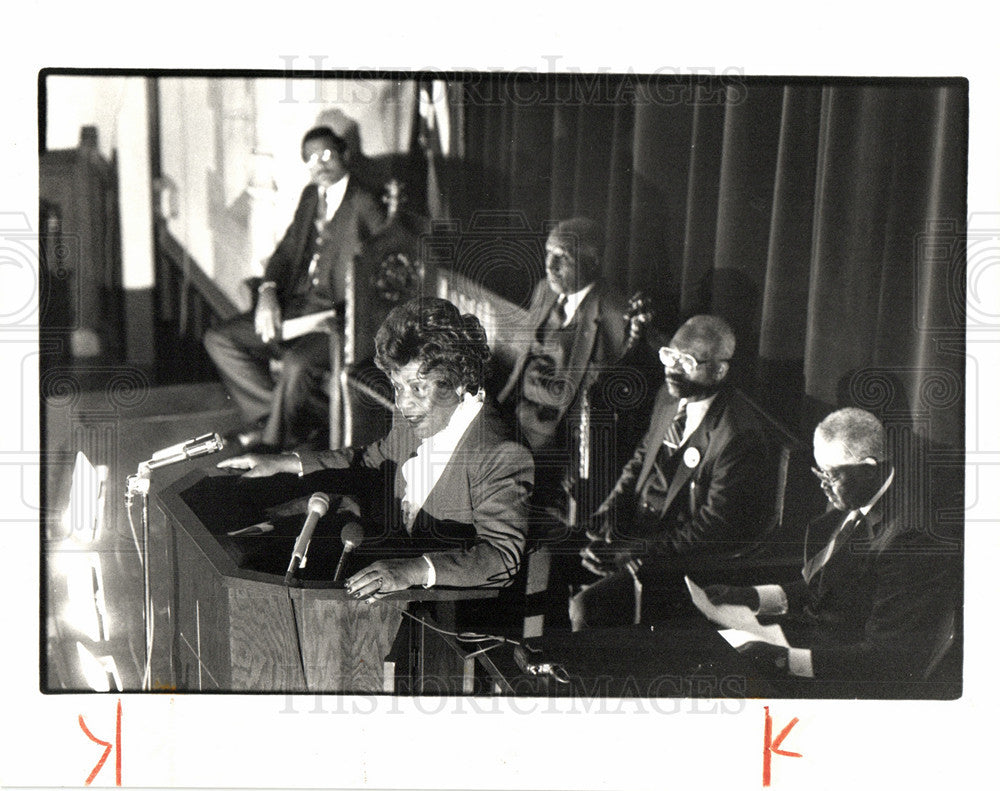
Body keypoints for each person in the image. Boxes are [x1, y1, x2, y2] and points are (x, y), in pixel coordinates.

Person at [218, 297, 534, 593]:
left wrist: (414, 571)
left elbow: (501, 558)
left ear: (460, 380)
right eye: (398, 387)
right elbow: (375, 458)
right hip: (379, 549)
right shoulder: (418, 414)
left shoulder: (500, 454)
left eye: (418, 388)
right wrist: (284, 462)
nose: (405, 402)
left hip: (433, 601)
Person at [704, 408, 960, 689]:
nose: (823, 485)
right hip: (814, 640)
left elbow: (887, 659)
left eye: (831, 475)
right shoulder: (853, 494)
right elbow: (824, 587)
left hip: (846, 677)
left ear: (870, 469)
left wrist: (784, 660)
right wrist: (749, 596)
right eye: (819, 472)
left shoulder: (910, 539)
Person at [569, 314, 779, 630]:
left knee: (586, 607)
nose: (672, 369)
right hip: (637, 532)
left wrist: (631, 553)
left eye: (688, 361)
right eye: (670, 356)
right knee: (549, 554)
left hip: (677, 559)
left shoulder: (737, 436)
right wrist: (609, 511)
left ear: (719, 370)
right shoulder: (669, 397)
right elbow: (640, 461)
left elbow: (711, 528)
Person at [204, 125, 384, 452]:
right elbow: (287, 251)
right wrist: (268, 291)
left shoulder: (365, 202)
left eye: (327, 155)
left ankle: (271, 441)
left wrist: (349, 316)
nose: (319, 165)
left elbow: (383, 269)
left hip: (337, 320)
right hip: (297, 308)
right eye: (310, 159)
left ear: (345, 154)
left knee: (296, 365)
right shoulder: (310, 196)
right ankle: (273, 417)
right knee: (220, 338)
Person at [497, 217, 641, 507]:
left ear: (593, 263)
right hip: (515, 417)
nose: (549, 266)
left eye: (562, 258)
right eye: (548, 253)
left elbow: (601, 404)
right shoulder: (544, 290)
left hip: (557, 442)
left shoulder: (615, 314)